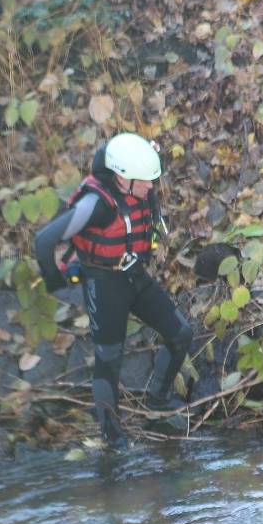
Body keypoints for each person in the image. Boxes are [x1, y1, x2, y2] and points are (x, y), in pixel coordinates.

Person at [32, 133, 193, 447]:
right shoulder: (96, 205)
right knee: (109, 359)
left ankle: (158, 398)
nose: (151, 187)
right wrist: (55, 281)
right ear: (121, 177)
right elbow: (44, 241)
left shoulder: (137, 185)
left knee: (181, 333)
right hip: (104, 285)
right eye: (144, 181)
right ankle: (112, 435)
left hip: (134, 276)